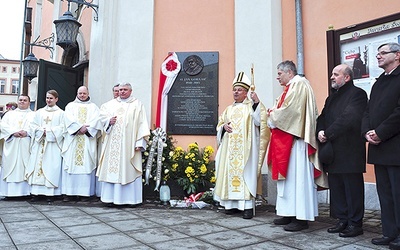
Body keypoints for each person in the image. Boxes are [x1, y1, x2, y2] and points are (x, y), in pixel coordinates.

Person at [267, 60, 328, 231]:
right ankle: (288, 213)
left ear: (289, 72)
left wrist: (272, 115)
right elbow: (279, 109)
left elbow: (291, 112)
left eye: (279, 73)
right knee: (288, 180)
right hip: (287, 141)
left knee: (297, 180)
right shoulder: (288, 89)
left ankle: (301, 218)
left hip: (297, 141)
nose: (277, 77)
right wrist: (272, 113)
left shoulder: (299, 85)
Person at [316, 64, 367, 237]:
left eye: (336, 74)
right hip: (333, 151)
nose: (332, 77)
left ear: (347, 77)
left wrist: (327, 133)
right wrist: (320, 131)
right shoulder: (331, 98)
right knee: (337, 188)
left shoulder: (358, 94)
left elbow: (349, 118)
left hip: (350, 150)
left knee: (352, 189)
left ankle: (355, 223)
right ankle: (342, 219)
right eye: (332, 74)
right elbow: (322, 117)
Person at [213, 71, 269, 219]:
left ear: (246, 93)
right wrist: (223, 128)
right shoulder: (228, 109)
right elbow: (219, 126)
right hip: (229, 151)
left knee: (246, 175)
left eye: (239, 90)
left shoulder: (251, 108)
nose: (236, 92)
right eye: (234, 89)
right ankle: (230, 205)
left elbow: (260, 122)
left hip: (246, 152)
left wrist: (257, 103)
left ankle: (247, 207)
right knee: (229, 174)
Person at [362, 42, 400, 248]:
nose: (378, 56)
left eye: (383, 53)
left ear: (397, 55)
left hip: (395, 146)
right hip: (378, 146)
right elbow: (368, 111)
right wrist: (367, 132)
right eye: (377, 54)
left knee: (398, 193)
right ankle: (389, 232)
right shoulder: (378, 83)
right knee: (385, 193)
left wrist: (380, 132)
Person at [97, 82, 150, 205]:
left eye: (125, 89)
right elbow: (101, 119)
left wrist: (140, 142)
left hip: (129, 146)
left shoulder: (137, 105)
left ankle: (130, 199)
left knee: (128, 170)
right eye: (120, 90)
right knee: (111, 169)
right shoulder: (109, 105)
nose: (122, 92)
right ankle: (109, 199)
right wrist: (108, 122)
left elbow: (142, 124)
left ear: (130, 91)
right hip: (111, 145)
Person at [61, 86, 103, 201]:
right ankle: (69, 193)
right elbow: (67, 119)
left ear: (88, 93)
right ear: (77, 93)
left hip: (87, 140)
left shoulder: (94, 107)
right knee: (71, 164)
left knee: (87, 164)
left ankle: (85, 193)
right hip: (73, 140)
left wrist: (85, 129)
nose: (82, 95)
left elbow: (96, 120)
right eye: (80, 93)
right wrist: (79, 128)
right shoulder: (70, 106)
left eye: (84, 93)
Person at [26, 90, 65, 202]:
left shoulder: (61, 113)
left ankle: (50, 194)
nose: (48, 100)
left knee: (51, 166)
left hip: (53, 145)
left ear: (56, 99)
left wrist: (48, 132)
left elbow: (63, 128)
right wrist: (40, 131)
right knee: (37, 165)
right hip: (40, 143)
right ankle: (37, 193)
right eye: (47, 98)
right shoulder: (39, 112)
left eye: (51, 98)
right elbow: (32, 125)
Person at [0, 95, 34, 198]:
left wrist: (27, 132)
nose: (22, 102)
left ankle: (25, 192)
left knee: (25, 167)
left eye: (25, 100)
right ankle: (9, 193)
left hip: (26, 144)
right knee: (10, 167)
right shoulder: (9, 114)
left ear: (29, 102)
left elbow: (35, 127)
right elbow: (2, 125)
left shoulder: (33, 115)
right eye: (20, 100)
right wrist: (13, 132)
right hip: (12, 144)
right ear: (17, 101)